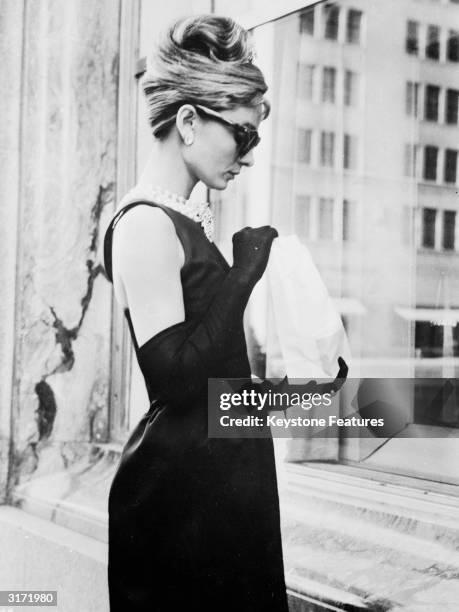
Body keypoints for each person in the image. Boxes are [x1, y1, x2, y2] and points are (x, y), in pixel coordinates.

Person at [103, 14, 289, 612]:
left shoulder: (182, 222)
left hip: (219, 496)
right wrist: (243, 274)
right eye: (243, 134)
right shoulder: (145, 225)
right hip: (182, 512)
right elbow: (179, 381)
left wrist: (314, 394)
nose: (250, 157)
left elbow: (217, 381)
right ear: (188, 121)